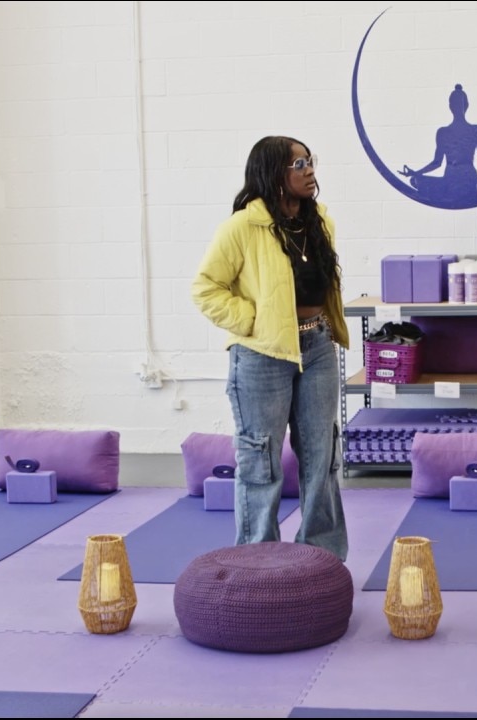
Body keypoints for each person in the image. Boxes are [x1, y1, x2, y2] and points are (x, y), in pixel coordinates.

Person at [192, 136, 349, 560]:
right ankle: (257, 559)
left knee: (322, 456)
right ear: (274, 173)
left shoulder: (320, 221)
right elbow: (206, 288)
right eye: (299, 164)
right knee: (260, 460)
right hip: (262, 356)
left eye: (310, 161)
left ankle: (322, 556)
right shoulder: (242, 226)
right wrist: (252, 321)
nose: (309, 170)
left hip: (317, 348)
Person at [399, 84, 477, 201]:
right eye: (455, 103)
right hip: (450, 179)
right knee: (415, 180)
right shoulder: (443, 132)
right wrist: (416, 173)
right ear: (451, 106)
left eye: (460, 103)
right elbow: (437, 162)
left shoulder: (475, 130)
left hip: (469, 178)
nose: (458, 107)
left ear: (466, 105)